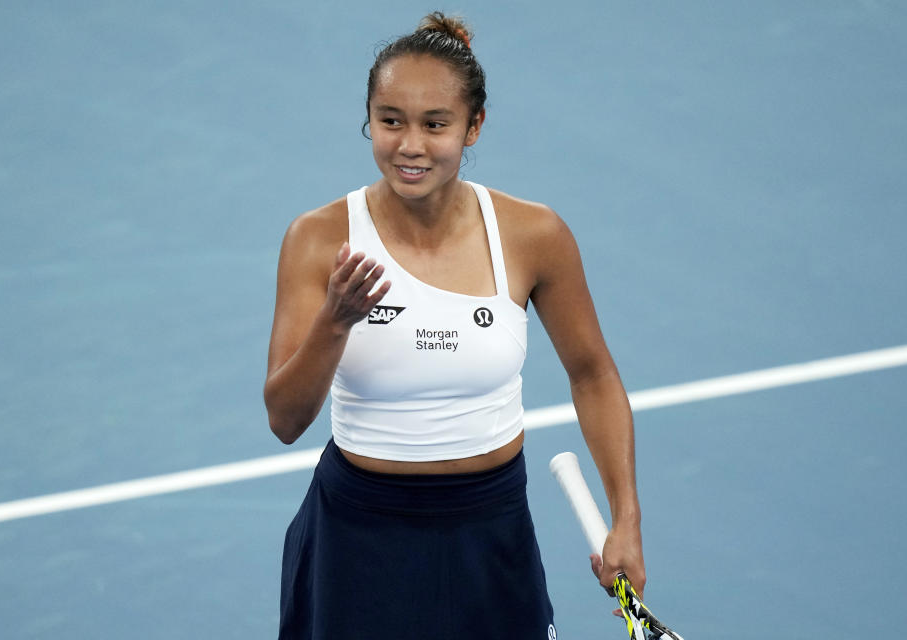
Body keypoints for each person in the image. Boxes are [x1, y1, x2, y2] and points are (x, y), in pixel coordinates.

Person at [264, 12, 645, 638]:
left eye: (434, 125)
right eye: (390, 121)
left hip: (490, 533)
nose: (410, 146)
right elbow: (284, 419)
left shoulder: (533, 234)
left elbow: (593, 374)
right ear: (368, 120)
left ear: (474, 126)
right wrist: (334, 322)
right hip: (358, 537)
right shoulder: (319, 239)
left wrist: (625, 518)